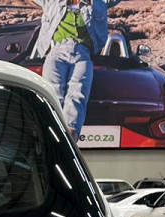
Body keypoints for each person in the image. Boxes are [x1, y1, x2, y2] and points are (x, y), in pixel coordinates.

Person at [30, 0, 109, 138]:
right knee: (53, 92)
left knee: (78, 92)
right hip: (56, 52)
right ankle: (51, 135)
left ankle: (69, 138)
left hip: (83, 54)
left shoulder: (97, 2)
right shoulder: (52, 2)